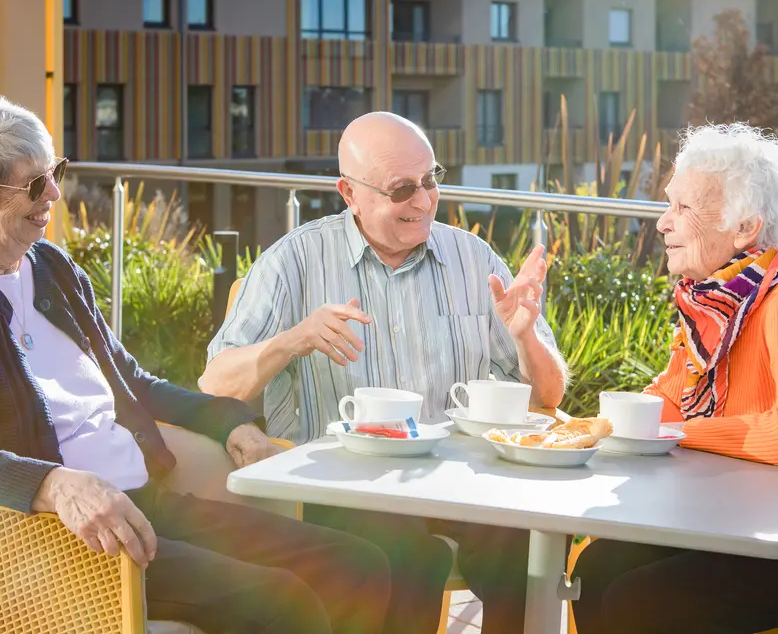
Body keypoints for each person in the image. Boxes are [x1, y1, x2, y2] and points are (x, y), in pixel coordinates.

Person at [0, 92, 391, 634]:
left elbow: (132, 382)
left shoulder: (51, 267)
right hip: (61, 540)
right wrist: (55, 485)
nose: (54, 192)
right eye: (33, 185)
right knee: (283, 602)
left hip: (146, 503)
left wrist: (229, 420)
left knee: (359, 566)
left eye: (54, 171)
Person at [201, 111, 570, 634]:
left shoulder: (474, 259)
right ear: (350, 193)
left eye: (430, 180)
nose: (423, 201)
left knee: (525, 541)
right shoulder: (295, 260)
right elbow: (215, 385)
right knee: (406, 557)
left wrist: (526, 337)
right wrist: (295, 339)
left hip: (462, 478)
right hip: (345, 486)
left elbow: (549, 395)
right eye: (402, 189)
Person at [571, 123, 778, 634]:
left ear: (745, 229)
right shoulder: (712, 304)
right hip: (736, 509)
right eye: (669, 204)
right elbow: (665, 402)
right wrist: (579, 428)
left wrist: (672, 433)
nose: (663, 223)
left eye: (684, 209)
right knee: (596, 568)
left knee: (637, 602)